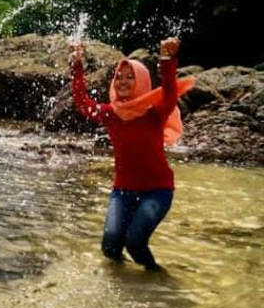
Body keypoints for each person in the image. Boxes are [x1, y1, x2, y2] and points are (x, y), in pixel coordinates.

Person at [69, 37, 196, 270]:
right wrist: (76, 65)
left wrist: (167, 61)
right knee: (110, 247)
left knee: (135, 244)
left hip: (157, 192)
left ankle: (158, 279)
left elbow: (169, 94)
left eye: (130, 77)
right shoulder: (111, 114)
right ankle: (121, 291)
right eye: (119, 77)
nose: (123, 81)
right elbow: (82, 102)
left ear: (142, 82)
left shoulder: (154, 113)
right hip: (123, 192)